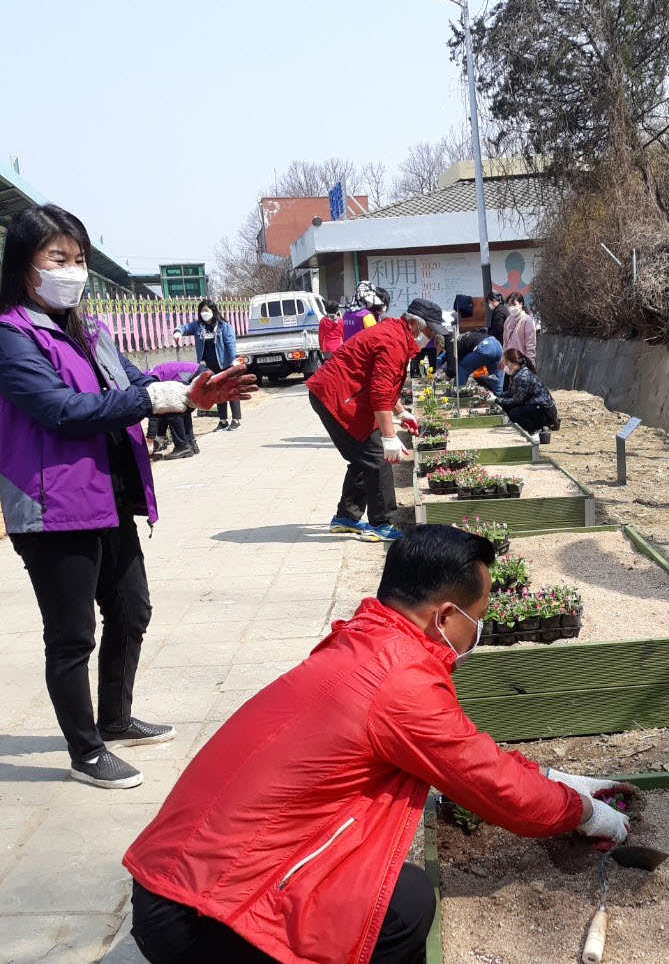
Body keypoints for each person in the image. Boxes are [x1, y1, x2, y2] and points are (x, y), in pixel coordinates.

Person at [124, 525, 628, 964]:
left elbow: (466, 753)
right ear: (445, 617)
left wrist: (551, 778)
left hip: (174, 876)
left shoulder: (366, 640)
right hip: (199, 916)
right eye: (478, 617)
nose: (479, 631)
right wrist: (584, 813)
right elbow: (496, 788)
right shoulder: (400, 682)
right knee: (405, 907)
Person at [0, 205, 255, 790]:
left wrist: (190, 388)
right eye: (57, 258)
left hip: (107, 494)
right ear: (24, 265)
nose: (72, 270)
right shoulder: (12, 336)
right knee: (71, 636)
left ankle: (114, 718)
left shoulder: (89, 330)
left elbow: (134, 385)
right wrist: (152, 400)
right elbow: (61, 410)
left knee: (131, 609)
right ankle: (85, 751)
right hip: (52, 508)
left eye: (79, 259)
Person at [306, 298, 451, 542]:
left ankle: (347, 516)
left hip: (342, 394)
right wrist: (389, 436)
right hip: (335, 396)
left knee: (364, 456)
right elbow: (380, 393)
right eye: (429, 331)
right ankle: (380, 523)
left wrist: (401, 413)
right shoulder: (393, 340)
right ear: (413, 323)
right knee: (377, 457)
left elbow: (383, 383)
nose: (429, 337)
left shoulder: (398, 335)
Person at [173, 300, 241, 432]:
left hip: (226, 363)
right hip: (210, 365)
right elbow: (185, 328)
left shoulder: (224, 326)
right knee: (217, 391)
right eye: (202, 311)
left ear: (213, 311)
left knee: (230, 390)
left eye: (206, 310)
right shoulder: (198, 326)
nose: (204, 313)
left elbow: (230, 343)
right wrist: (178, 332)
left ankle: (236, 420)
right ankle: (223, 421)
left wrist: (234, 358)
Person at [145, 360, 207, 460]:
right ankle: (191, 444)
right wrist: (159, 436)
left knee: (173, 410)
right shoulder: (152, 374)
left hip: (200, 377)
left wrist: (149, 440)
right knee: (183, 408)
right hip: (203, 374)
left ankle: (182, 446)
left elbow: (156, 413)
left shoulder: (150, 381)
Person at [494, 349, 558, 443]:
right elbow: (511, 393)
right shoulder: (518, 373)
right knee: (508, 407)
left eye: (505, 362)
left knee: (514, 413)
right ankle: (537, 427)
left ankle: (534, 432)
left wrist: (496, 400)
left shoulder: (522, 376)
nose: (504, 365)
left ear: (512, 362)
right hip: (537, 407)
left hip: (545, 411)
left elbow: (516, 401)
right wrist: (496, 395)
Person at [502, 291, 536, 365]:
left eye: (514, 304)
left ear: (521, 304)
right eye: (510, 305)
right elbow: (505, 343)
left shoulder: (527, 320)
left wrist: (530, 363)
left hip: (522, 362)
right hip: (509, 363)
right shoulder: (508, 320)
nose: (511, 307)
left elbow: (530, 345)